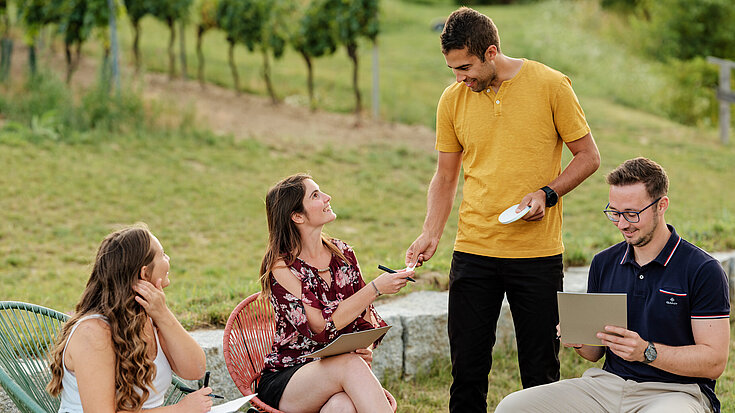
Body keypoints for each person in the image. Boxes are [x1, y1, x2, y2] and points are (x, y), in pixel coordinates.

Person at [404, 6, 601, 412]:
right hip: (474, 251)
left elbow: (588, 156)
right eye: (453, 68)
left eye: (466, 67)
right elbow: (445, 176)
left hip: (537, 256)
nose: (459, 77)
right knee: (467, 372)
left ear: (491, 52)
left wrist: (547, 193)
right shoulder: (453, 99)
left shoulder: (551, 85)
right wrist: (430, 233)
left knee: (541, 373)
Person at [496, 157, 730, 413]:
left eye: (632, 214)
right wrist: (576, 337)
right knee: (513, 407)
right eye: (615, 213)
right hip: (607, 386)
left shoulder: (702, 269)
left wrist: (646, 352)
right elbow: (595, 353)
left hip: (675, 392)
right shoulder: (604, 262)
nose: (622, 224)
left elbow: (714, 362)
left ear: (661, 205)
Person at [257, 173, 413, 413]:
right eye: (316, 195)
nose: (327, 197)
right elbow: (320, 327)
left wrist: (366, 348)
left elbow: (365, 316)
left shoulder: (343, 253)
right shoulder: (281, 267)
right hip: (289, 377)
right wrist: (376, 288)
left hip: (336, 371)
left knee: (342, 406)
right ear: (297, 216)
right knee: (350, 366)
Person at [46, 224, 213, 413]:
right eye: (163, 254)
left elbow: (195, 370)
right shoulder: (93, 333)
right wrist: (179, 410)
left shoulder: (149, 317)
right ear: (144, 273)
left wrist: (163, 314)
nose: (169, 259)